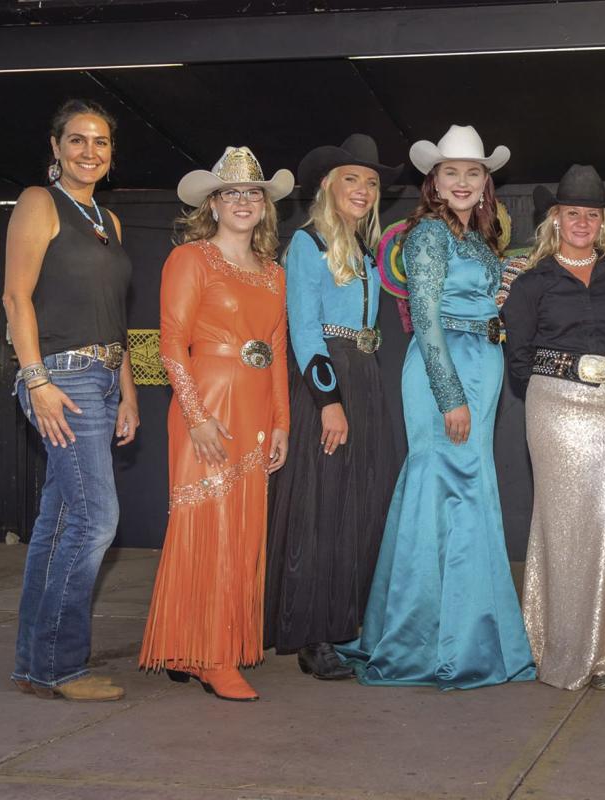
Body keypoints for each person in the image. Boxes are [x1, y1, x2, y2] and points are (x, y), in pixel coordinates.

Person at [336, 125, 536, 688]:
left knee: (469, 492)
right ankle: (428, 642)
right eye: (452, 173)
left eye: (473, 172)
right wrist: (451, 396)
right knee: (443, 488)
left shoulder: (479, 237)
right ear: (435, 181)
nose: (463, 181)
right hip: (442, 366)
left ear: (485, 182)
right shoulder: (428, 233)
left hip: (482, 363)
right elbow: (424, 317)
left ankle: (466, 632)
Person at [138, 147, 294, 702]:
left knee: (243, 532)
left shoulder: (275, 273)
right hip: (206, 404)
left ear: (265, 206)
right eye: (232, 193)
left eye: (254, 193)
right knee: (210, 526)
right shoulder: (190, 259)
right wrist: (196, 415)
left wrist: (283, 422)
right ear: (213, 204)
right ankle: (213, 657)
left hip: (256, 408)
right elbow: (171, 343)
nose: (244, 202)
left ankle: (193, 645)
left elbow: (277, 350)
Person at [3, 99, 137, 702]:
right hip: (61, 377)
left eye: (100, 142)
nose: (90, 151)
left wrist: (127, 392)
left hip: (103, 379)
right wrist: (36, 381)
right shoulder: (39, 201)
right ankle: (60, 668)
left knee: (58, 524)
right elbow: (16, 298)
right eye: (78, 140)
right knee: (95, 520)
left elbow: (116, 315)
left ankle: (34, 666)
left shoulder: (109, 221)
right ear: (56, 147)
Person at [501, 165, 605, 691]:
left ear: (603, 222)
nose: (582, 222)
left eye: (591, 214)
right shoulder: (532, 282)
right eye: (572, 213)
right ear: (555, 219)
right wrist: (555, 391)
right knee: (562, 526)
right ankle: (560, 648)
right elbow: (519, 357)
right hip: (556, 408)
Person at [264, 135, 403, 680]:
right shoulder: (307, 243)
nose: (363, 189)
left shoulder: (365, 250)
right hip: (328, 379)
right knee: (321, 508)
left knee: (359, 504)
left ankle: (347, 622)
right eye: (352, 179)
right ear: (327, 185)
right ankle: (312, 634)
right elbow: (303, 330)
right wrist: (328, 402)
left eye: (371, 182)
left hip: (365, 377)